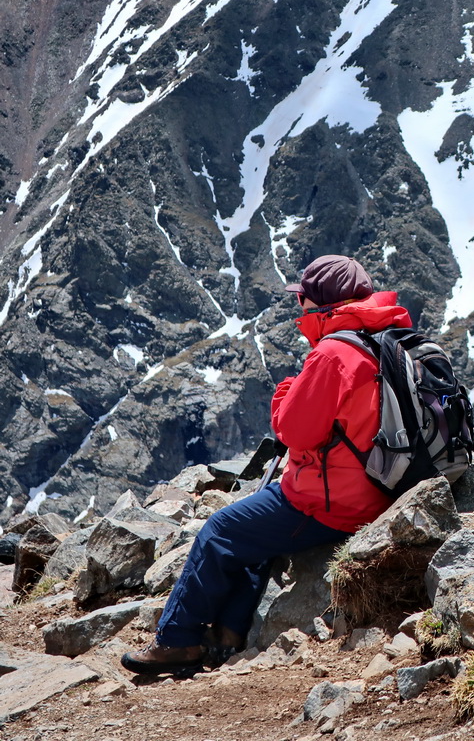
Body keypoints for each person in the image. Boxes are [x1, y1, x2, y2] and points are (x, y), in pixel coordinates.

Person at [122, 254, 412, 675]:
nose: (300, 309)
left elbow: (294, 432)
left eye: (304, 300)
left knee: (220, 531)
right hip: (385, 484)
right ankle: (229, 634)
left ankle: (177, 641)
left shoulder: (334, 354)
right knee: (255, 534)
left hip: (336, 501)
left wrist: (286, 390)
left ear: (322, 304)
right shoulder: (388, 335)